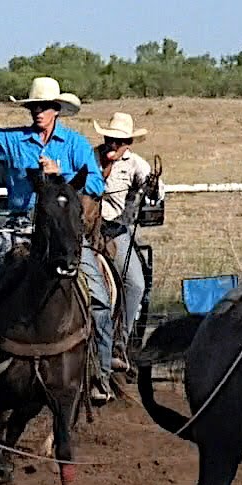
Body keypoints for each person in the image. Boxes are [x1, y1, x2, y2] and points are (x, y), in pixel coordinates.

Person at [0, 77, 114, 399]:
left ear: (57, 111)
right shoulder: (13, 141)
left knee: (99, 300)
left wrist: (60, 176)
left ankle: (100, 373)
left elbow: (95, 184)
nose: (38, 112)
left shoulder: (76, 145)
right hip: (19, 228)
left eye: (44, 107)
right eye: (34, 107)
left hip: (61, 234)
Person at [93, 111, 153, 371]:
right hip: (84, 229)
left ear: (128, 142)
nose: (113, 145)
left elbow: (154, 192)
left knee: (135, 284)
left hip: (115, 231)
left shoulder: (138, 165)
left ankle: (119, 342)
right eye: (110, 139)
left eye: (120, 141)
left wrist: (151, 188)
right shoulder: (89, 157)